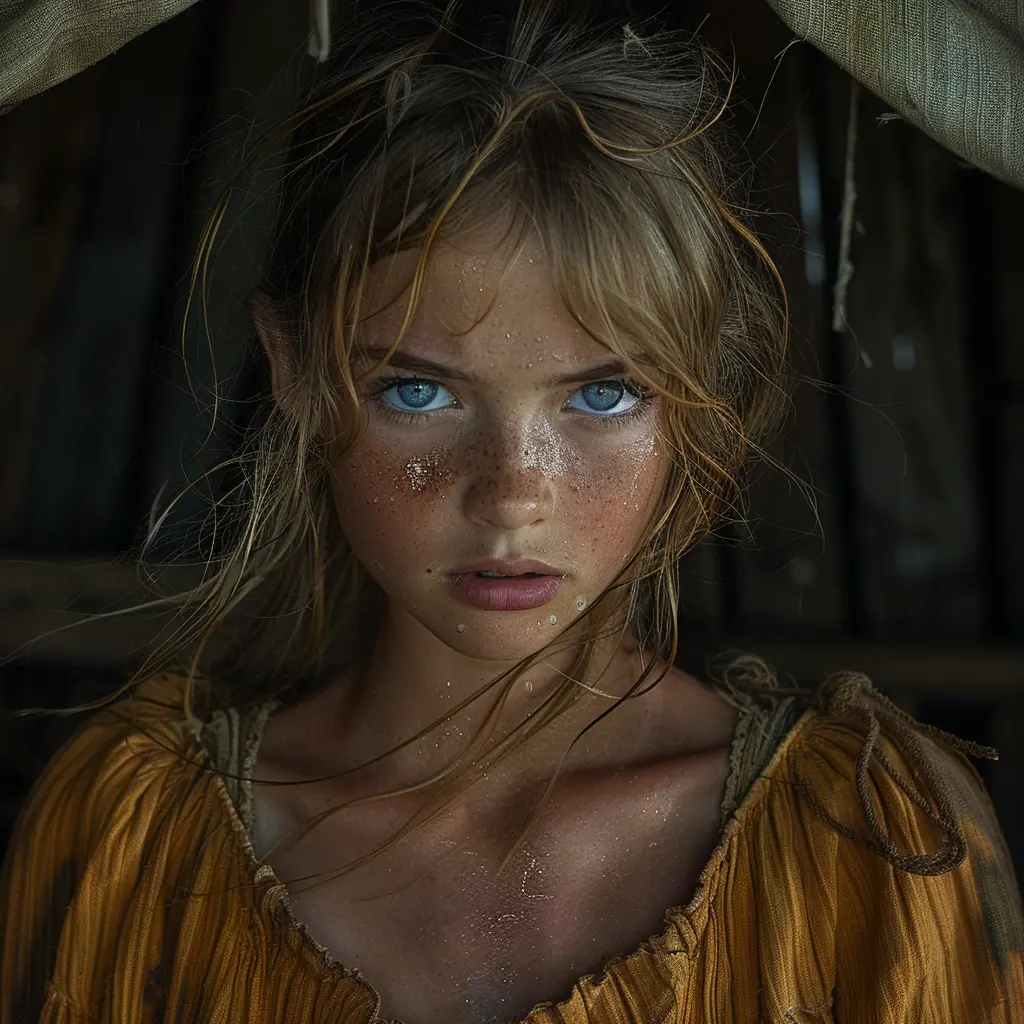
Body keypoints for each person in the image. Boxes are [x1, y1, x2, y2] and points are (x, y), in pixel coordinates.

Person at [1, 1, 1022, 1022]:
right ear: (298, 372)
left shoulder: (866, 850)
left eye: (603, 393)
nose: (513, 492)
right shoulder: (134, 846)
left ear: (698, 395)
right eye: (418, 391)